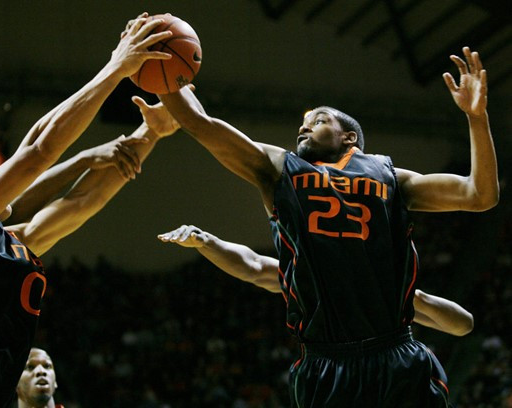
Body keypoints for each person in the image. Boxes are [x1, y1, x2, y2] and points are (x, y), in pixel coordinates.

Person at [158, 46, 498, 407]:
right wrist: (157, 68)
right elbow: (201, 124)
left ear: (348, 137)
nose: (304, 126)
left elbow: (479, 195)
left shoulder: (393, 178)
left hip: (394, 354)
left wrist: (477, 118)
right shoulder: (279, 169)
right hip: (325, 362)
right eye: (303, 123)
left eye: (318, 120)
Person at [0, 13, 178, 407]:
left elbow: (81, 203)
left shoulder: (9, 244)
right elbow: (37, 150)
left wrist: (151, 133)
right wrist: (116, 67)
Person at [158, 224, 474, 336]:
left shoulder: (383, 295)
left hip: (387, 378)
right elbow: (253, 266)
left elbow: (463, 324)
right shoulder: (314, 277)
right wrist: (206, 242)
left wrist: (409, 296)